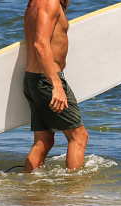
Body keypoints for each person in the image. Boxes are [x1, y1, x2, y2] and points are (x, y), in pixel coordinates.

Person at [22, 0, 88, 173]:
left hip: (35, 79)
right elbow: (41, 45)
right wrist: (57, 85)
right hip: (47, 81)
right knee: (79, 137)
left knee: (44, 140)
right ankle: (74, 191)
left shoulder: (34, 3)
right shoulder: (48, 2)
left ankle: (30, 187)